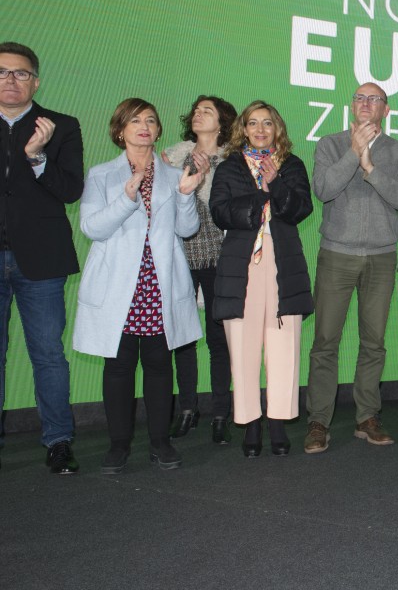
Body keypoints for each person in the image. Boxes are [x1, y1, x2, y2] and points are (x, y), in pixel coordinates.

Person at [75, 98, 206, 473]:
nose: (144, 126)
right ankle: (118, 445)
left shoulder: (173, 175)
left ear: (158, 130)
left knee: (159, 365)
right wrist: (126, 197)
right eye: (135, 121)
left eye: (150, 120)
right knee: (118, 366)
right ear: (120, 130)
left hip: (159, 281)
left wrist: (186, 195)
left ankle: (160, 442)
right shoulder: (101, 175)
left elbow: (187, 229)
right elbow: (92, 227)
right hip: (119, 284)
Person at [303, 84, 398, 453]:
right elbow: (323, 189)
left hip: (381, 257)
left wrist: (370, 168)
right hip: (337, 254)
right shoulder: (330, 144)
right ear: (352, 106)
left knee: (374, 342)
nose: (366, 103)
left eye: (374, 99)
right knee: (325, 342)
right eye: (360, 98)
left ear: (386, 110)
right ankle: (319, 421)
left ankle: (367, 416)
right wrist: (354, 153)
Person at [211, 101, 313, 457]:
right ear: (243, 129)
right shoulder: (230, 166)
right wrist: (260, 196)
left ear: (277, 128)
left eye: (267, 123)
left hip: (283, 260)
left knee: (284, 344)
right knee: (243, 345)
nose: (259, 129)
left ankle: (277, 422)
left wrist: (276, 183)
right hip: (242, 264)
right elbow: (220, 211)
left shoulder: (291, 164)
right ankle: (251, 423)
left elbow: (300, 208)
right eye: (252, 123)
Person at [0, 42, 83, 474]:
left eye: (20, 73)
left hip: (42, 260)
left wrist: (36, 156)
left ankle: (58, 440)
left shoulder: (61, 127)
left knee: (48, 354)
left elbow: (70, 190)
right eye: (2, 72)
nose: (11, 80)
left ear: (36, 82)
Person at [162, 95, 238, 444]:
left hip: (219, 258)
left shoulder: (233, 161)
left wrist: (208, 176)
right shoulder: (172, 157)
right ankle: (187, 409)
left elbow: (229, 207)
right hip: (179, 256)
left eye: (207, 111)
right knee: (182, 339)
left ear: (222, 122)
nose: (198, 114)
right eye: (196, 110)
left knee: (218, 338)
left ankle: (221, 412)